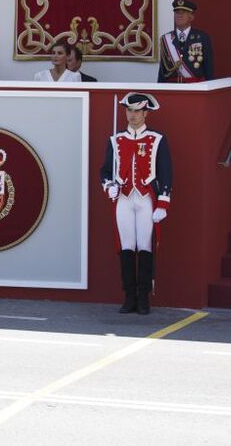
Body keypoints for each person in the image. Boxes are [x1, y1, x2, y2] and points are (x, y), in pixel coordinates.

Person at [100, 92, 172, 315]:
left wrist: (163, 203)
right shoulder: (116, 139)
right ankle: (129, 296)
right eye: (129, 111)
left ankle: (144, 299)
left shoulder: (157, 139)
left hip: (145, 198)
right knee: (126, 247)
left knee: (145, 246)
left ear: (145, 113)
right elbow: (105, 170)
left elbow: (166, 172)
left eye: (137, 111)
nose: (132, 115)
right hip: (123, 198)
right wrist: (108, 185)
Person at [158, 0, 213, 83]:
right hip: (172, 87)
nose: (179, 15)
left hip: (195, 87)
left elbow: (208, 67)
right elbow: (162, 70)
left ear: (191, 17)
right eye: (176, 13)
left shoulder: (202, 37)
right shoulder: (166, 38)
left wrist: (210, 87)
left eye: (183, 13)